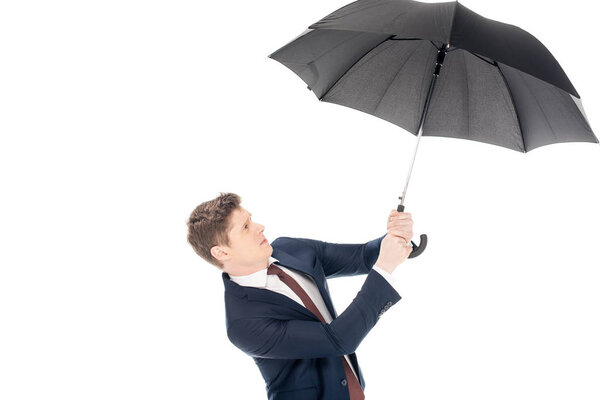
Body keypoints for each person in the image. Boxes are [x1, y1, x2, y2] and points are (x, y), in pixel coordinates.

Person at [186, 192, 414, 400]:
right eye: (245, 227)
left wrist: (397, 238)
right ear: (221, 252)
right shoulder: (243, 323)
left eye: (251, 219)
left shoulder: (289, 248)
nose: (260, 227)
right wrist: (384, 268)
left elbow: (362, 256)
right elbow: (338, 340)